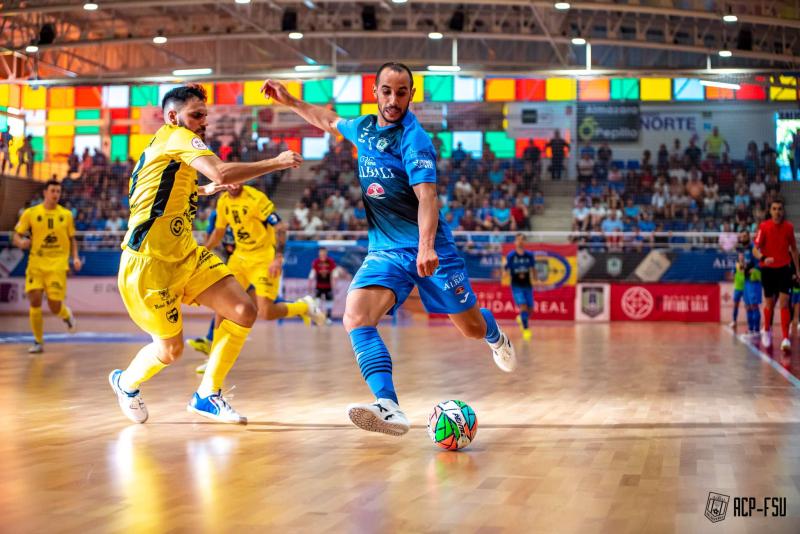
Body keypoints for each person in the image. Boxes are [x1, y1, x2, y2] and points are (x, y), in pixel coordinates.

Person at [262, 63, 517, 437]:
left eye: (401, 92)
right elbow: (327, 121)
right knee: (356, 316)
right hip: (385, 251)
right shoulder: (363, 128)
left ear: (411, 95)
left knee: (471, 328)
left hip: (433, 253)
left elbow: (427, 197)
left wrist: (426, 247)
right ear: (375, 92)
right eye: (387, 91)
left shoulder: (413, 140)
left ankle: (495, 336)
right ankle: (389, 404)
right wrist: (290, 101)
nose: (393, 99)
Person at [108, 84, 303, 425]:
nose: (203, 123)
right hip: (148, 265)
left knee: (244, 310)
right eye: (196, 115)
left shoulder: (165, 148)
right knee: (170, 351)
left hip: (185, 255)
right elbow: (222, 171)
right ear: (173, 117)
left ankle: (207, 394)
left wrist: (204, 189)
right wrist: (277, 162)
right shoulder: (177, 135)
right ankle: (125, 384)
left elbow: (160, 190)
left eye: (204, 116)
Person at [190, 183, 326, 373]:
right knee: (222, 306)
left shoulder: (256, 198)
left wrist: (278, 257)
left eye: (238, 179)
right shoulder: (223, 202)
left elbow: (280, 226)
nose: (233, 184)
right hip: (239, 259)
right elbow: (219, 232)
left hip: (264, 260)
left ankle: (304, 306)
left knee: (266, 312)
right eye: (229, 180)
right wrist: (202, 252)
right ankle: (214, 358)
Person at [12, 179, 82, 353]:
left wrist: (75, 257)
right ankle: (38, 341)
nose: (56, 194)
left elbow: (72, 239)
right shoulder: (30, 213)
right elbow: (16, 235)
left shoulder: (66, 215)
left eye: (58, 191)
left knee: (54, 306)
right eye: (53, 191)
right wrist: (21, 243)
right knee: (34, 300)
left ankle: (66, 315)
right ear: (45, 192)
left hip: (57, 264)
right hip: (36, 262)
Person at [753, 198, 799, 352]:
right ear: (770, 211)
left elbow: (793, 249)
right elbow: (755, 249)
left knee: (785, 303)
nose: (777, 211)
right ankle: (766, 329)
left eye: (780, 208)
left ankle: (785, 338)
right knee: (769, 304)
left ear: (783, 211)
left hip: (784, 270)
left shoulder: (789, 228)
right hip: (768, 269)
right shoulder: (764, 227)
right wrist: (764, 258)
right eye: (774, 209)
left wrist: (798, 270)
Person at [504, 233, 536, 341]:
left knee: (530, 310)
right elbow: (506, 268)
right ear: (515, 242)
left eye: (522, 239)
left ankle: (520, 318)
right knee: (523, 306)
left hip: (527, 285)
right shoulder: (511, 256)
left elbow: (533, 268)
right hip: (516, 286)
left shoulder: (529, 255)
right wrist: (504, 274)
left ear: (525, 242)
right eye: (518, 240)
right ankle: (526, 329)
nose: (520, 241)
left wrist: (536, 278)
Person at [731, 230, 762, 335]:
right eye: (741, 237)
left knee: (754, 305)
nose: (743, 238)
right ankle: (750, 329)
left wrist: (755, 269)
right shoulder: (744, 250)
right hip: (746, 281)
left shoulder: (754, 248)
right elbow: (746, 264)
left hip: (753, 281)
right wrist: (743, 266)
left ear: (749, 236)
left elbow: (760, 262)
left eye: (745, 236)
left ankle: (756, 330)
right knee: (748, 306)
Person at [310, 246, 339, 323]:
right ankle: (316, 319)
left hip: (328, 286)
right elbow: (312, 273)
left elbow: (334, 272)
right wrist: (310, 281)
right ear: (319, 253)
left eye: (324, 252)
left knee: (329, 302)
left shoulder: (330, 261)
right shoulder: (316, 262)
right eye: (321, 252)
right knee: (317, 302)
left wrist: (335, 279)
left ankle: (328, 318)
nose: (322, 254)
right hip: (318, 286)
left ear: (326, 253)